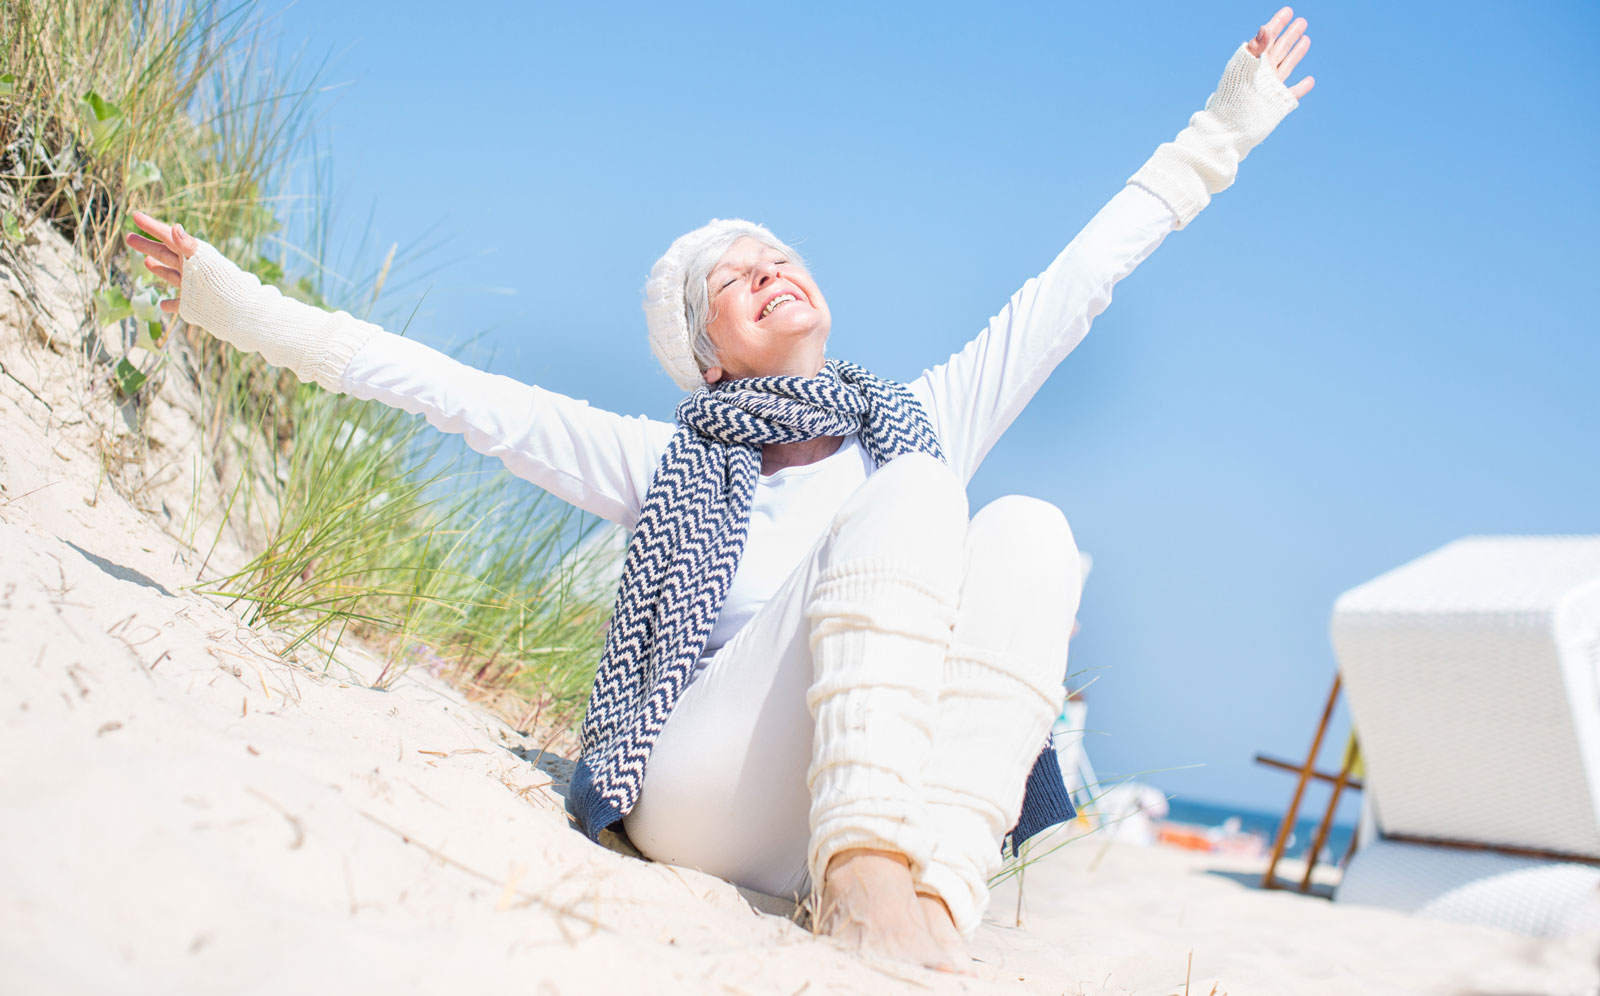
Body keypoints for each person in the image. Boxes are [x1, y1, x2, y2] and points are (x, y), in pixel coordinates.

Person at [127, 8, 1314, 974]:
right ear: (707, 361)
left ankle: (935, 901)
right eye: (730, 281)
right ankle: (863, 886)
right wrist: (243, 307)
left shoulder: (917, 418)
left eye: (777, 255)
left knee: (1030, 530)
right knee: (916, 498)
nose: (767, 270)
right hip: (702, 795)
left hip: (847, 802)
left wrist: (1222, 129)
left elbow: (1076, 282)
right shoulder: (670, 462)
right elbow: (457, 395)